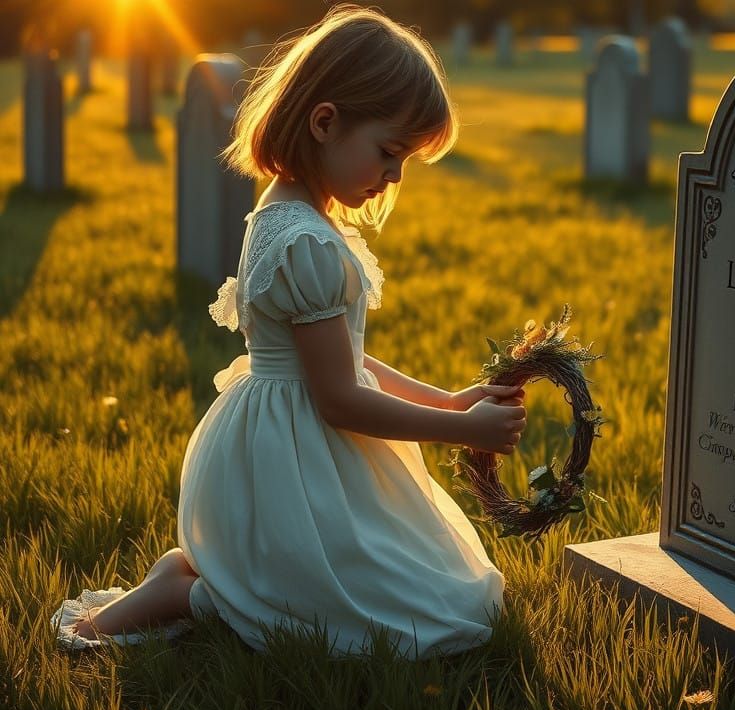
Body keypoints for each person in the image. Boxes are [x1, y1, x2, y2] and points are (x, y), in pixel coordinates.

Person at [51, 5, 527, 659]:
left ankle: (207, 579)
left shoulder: (292, 212)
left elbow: (349, 361)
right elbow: (340, 398)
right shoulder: (304, 241)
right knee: (425, 618)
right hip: (299, 457)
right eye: (389, 152)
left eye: (406, 161)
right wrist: (460, 430)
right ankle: (192, 594)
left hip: (294, 443)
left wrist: (446, 400)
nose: (395, 175)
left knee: (445, 598)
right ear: (325, 121)